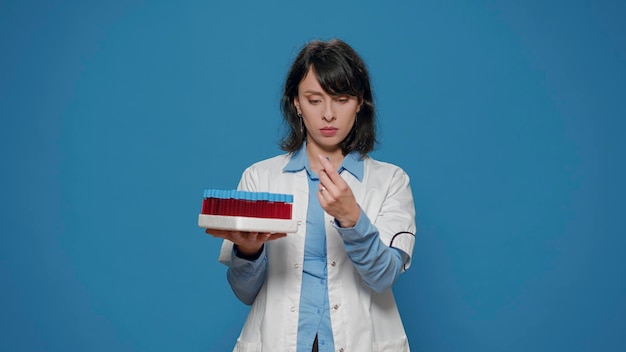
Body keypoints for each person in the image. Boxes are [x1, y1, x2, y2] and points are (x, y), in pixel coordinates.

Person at [206, 38, 416, 352]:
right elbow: (245, 292)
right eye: (315, 99)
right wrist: (248, 252)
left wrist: (352, 218)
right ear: (296, 103)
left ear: (360, 102)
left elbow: (382, 277)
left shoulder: (391, 181)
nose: (328, 114)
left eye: (341, 98)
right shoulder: (259, 177)